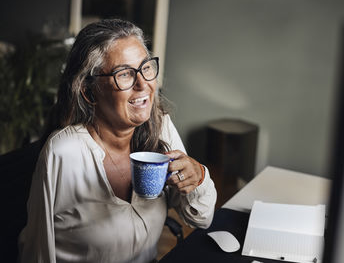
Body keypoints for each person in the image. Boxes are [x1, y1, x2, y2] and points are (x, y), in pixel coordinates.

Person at [18, 19, 217, 263]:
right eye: (124, 74)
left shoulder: (159, 126)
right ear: (89, 92)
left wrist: (198, 177)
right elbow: (37, 252)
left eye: (146, 68)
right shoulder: (65, 152)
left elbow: (201, 218)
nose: (143, 85)